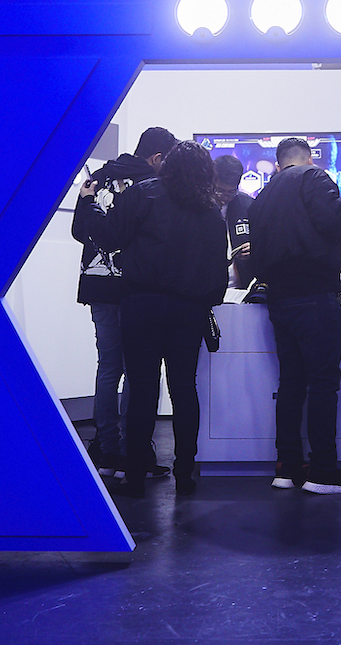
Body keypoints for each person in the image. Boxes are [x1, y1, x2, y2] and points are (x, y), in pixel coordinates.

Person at [73, 141, 229, 497]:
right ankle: (185, 472)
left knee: (142, 389)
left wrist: (92, 206)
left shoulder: (145, 194)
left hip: (142, 304)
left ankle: (134, 474)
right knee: (184, 389)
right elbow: (218, 275)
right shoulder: (210, 212)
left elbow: (110, 237)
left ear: (168, 164)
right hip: (189, 310)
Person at [245, 137, 341, 494]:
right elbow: (336, 221)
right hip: (314, 295)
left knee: (291, 383)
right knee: (322, 383)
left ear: (279, 160)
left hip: (279, 299)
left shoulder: (263, 196)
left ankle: (286, 467)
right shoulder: (314, 178)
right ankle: (323, 471)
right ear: (310, 157)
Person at [70, 126, 177, 480]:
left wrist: (88, 203)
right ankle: (136, 449)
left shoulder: (99, 179)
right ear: (157, 158)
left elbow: (77, 232)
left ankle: (106, 447)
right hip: (136, 286)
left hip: (98, 285)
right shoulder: (152, 188)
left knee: (108, 366)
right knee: (141, 371)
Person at [214, 155, 255, 297]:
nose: (224, 197)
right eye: (219, 190)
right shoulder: (199, 206)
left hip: (242, 289)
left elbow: (265, 240)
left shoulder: (248, 205)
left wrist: (255, 247)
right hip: (208, 288)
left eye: (231, 192)